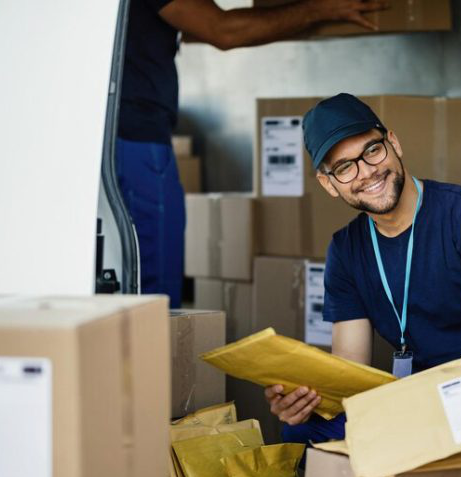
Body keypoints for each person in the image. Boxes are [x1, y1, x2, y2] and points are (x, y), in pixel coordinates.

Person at [263, 93, 461, 477]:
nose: (366, 172)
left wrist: (412, 411)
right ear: (329, 184)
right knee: (300, 434)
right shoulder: (346, 249)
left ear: (393, 143)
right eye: (345, 167)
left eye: (372, 150)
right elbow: (351, 371)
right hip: (409, 405)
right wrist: (307, 403)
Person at [116, 0, 387, 307]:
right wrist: (322, 8)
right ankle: (150, 352)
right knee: (153, 287)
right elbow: (221, 29)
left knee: (142, 276)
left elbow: (191, 28)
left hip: (129, 136)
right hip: (135, 139)